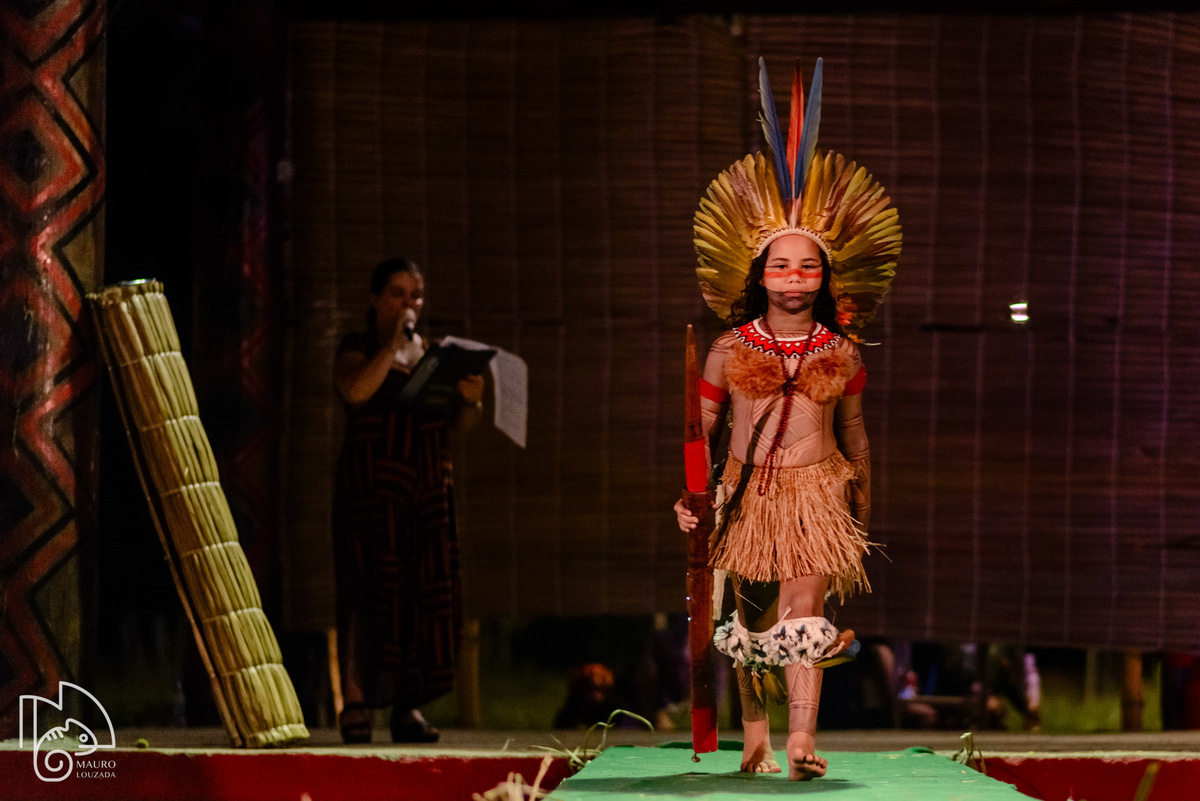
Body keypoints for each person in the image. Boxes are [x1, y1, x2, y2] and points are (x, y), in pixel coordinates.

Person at [675, 57, 901, 780]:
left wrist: (859, 490)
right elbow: (700, 435)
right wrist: (690, 500)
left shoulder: (841, 350)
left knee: (805, 612)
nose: (795, 277)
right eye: (781, 266)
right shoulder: (727, 349)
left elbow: (855, 429)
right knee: (747, 621)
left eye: (808, 267)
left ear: (827, 277)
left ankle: (803, 737)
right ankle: (757, 737)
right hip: (746, 493)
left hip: (816, 494)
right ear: (757, 274)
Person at [332, 256, 484, 744]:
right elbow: (356, 392)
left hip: (425, 486)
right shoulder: (358, 347)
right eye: (397, 294)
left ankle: (407, 707)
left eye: (415, 295)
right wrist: (393, 349)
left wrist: (473, 399)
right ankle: (354, 702)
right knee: (367, 589)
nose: (408, 304)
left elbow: (460, 427)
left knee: (423, 592)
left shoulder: (434, 354)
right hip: (372, 487)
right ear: (376, 300)